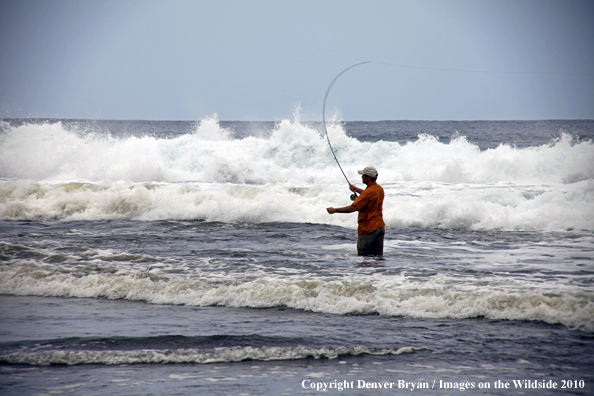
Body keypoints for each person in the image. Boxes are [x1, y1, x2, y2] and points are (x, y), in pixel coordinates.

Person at [326, 166, 385, 256]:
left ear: (368, 178)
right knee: (378, 256)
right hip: (379, 227)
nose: (361, 177)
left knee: (363, 257)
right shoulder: (379, 189)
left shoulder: (368, 193)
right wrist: (357, 189)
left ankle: (365, 271)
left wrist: (335, 210)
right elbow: (368, 194)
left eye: (363, 175)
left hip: (368, 228)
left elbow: (353, 208)